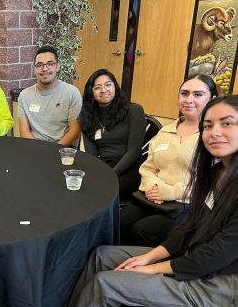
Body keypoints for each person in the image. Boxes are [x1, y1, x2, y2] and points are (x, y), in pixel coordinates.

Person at [69, 95, 238, 307]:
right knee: (101, 256)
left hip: (217, 283)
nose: (214, 133)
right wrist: (150, 257)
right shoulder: (214, 172)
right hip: (191, 255)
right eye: (208, 125)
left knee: (105, 284)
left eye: (227, 123)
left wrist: (155, 268)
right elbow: (190, 227)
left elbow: (218, 255)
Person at [121, 75, 218, 246]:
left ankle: (143, 269)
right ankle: (111, 264)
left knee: (143, 230)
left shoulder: (214, 136)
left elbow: (212, 181)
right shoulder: (165, 131)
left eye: (198, 94)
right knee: (120, 221)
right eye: (184, 93)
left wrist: (171, 192)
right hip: (154, 197)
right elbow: (147, 168)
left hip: (189, 203)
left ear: (213, 99)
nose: (189, 100)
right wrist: (155, 187)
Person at [80, 69, 146, 200]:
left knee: (102, 191)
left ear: (115, 87)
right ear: (91, 93)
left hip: (130, 167)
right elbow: (92, 155)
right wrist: (98, 173)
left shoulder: (134, 110)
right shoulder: (87, 117)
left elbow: (133, 152)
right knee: (77, 186)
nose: (103, 90)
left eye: (108, 85)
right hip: (104, 166)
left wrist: (111, 174)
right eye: (97, 87)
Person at [18, 45, 82, 146]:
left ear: (58, 66)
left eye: (50, 64)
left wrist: (52, 151)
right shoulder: (24, 95)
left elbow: (75, 131)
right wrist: (37, 150)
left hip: (63, 149)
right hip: (34, 148)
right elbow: (24, 131)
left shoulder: (72, 93)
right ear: (34, 69)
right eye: (39, 65)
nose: (44, 69)